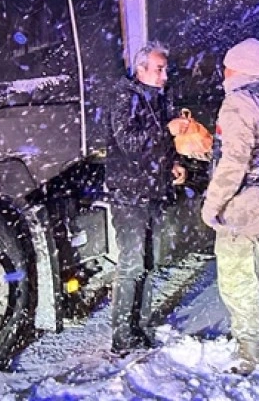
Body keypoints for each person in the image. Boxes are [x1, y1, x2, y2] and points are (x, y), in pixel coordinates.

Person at [202, 38, 259, 374]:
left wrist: (212, 205)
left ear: (239, 66)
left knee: (240, 279)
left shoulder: (238, 103)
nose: (224, 71)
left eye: (228, 64)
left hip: (242, 205)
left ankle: (248, 353)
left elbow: (235, 162)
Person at [106, 41, 188, 353]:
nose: (165, 74)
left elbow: (159, 148)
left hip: (154, 191)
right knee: (132, 263)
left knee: (150, 262)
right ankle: (122, 336)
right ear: (141, 69)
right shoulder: (124, 98)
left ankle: (140, 326)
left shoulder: (160, 98)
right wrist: (166, 130)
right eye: (159, 69)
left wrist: (174, 165)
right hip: (129, 195)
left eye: (165, 68)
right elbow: (128, 142)